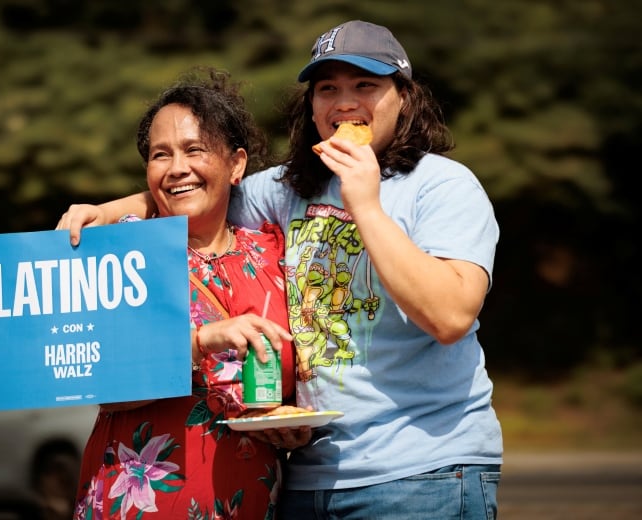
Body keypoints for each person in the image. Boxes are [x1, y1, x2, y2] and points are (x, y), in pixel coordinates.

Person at [58, 20, 503, 519]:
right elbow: (200, 186)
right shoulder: (289, 189)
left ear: (405, 96)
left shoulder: (442, 186)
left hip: (422, 472)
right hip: (309, 478)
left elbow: (450, 317)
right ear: (311, 107)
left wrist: (366, 205)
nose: (344, 102)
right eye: (327, 88)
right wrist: (110, 211)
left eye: (366, 86)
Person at [66, 67, 298, 520]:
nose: (177, 169)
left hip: (249, 502)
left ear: (237, 164)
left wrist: (292, 424)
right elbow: (105, 386)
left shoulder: (272, 252)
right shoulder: (124, 250)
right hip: (134, 505)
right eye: (160, 155)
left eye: (195, 150)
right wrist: (200, 342)